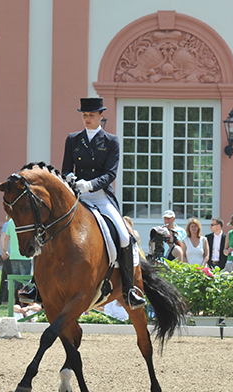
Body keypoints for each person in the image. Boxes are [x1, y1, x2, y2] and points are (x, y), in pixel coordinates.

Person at [20, 97, 145, 309]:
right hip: (76, 195)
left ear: (101, 116)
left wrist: (90, 184)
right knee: (45, 231)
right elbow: (66, 166)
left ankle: (130, 289)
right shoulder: (73, 139)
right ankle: (35, 286)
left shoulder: (111, 141)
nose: (88, 119)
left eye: (92, 115)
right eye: (85, 115)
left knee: (125, 237)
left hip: (100, 195)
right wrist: (70, 178)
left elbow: (110, 174)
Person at [4, 218, 32, 304]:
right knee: (26, 281)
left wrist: (5, 250)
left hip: (14, 256)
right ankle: (26, 303)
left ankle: (15, 303)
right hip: (25, 256)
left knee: (15, 281)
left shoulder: (10, 222)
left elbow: (6, 238)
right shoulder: (26, 219)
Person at [0, 216, 12, 305]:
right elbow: (3, 239)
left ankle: (2, 300)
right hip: (6, 254)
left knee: (5, 276)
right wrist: (4, 251)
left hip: (7, 254)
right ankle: (6, 299)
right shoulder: (7, 224)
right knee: (10, 276)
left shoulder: (8, 224)